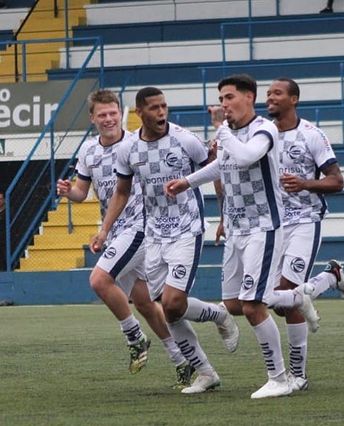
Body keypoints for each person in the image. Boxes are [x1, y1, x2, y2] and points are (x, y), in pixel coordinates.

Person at [165, 74, 310, 399]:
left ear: (248, 97)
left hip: (264, 228)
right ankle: (299, 297)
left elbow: (246, 156)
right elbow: (224, 165)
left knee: (252, 305)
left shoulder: (264, 129)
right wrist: (187, 181)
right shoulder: (231, 134)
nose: (224, 103)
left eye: (229, 97)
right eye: (222, 97)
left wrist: (223, 131)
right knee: (232, 304)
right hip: (236, 229)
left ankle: (279, 377)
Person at [92, 87, 239, 395]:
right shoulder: (128, 149)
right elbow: (121, 191)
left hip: (187, 229)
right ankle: (205, 372)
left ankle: (219, 314)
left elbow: (217, 172)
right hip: (154, 235)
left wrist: (225, 217)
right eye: (154, 108)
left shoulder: (184, 139)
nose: (161, 113)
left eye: (164, 106)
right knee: (169, 310)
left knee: (172, 303)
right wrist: (105, 230)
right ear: (139, 113)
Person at [56, 89, 196, 388]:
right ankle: (182, 360)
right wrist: (70, 193)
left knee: (98, 279)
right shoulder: (89, 151)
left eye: (113, 113)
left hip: (139, 227)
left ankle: (134, 337)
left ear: (122, 113)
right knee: (145, 303)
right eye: (102, 115)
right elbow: (82, 192)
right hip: (117, 232)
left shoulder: (136, 144)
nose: (108, 119)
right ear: (92, 118)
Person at [265, 77, 344, 391]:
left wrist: (306, 183)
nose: (270, 98)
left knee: (284, 295)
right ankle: (330, 278)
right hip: (272, 225)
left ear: (293, 99)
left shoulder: (311, 135)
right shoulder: (261, 135)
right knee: (282, 301)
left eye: (277, 93)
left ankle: (298, 376)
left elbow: (337, 181)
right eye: (267, 93)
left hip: (305, 221)